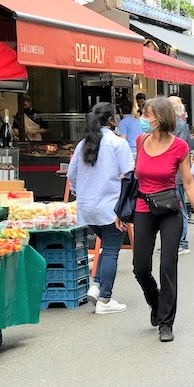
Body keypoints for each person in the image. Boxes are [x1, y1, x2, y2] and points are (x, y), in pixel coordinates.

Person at [132, 97, 194, 342]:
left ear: (161, 117)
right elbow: (136, 175)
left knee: (167, 266)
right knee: (140, 267)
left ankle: (166, 323)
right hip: (143, 206)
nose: (144, 119)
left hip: (169, 209)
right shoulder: (141, 140)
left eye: (147, 115)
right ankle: (156, 302)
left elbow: (188, 183)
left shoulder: (179, 147)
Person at [67, 102, 133, 315]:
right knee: (112, 250)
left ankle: (96, 286)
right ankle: (105, 298)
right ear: (112, 120)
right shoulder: (117, 144)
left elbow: (72, 176)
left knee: (106, 246)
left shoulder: (82, 144)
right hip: (110, 207)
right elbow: (129, 176)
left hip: (87, 208)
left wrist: (81, 193)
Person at [168, 97, 192, 255]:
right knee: (171, 209)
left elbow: (178, 149)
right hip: (169, 175)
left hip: (176, 175)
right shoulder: (169, 125)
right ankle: (173, 241)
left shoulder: (180, 125)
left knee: (179, 208)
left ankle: (182, 242)